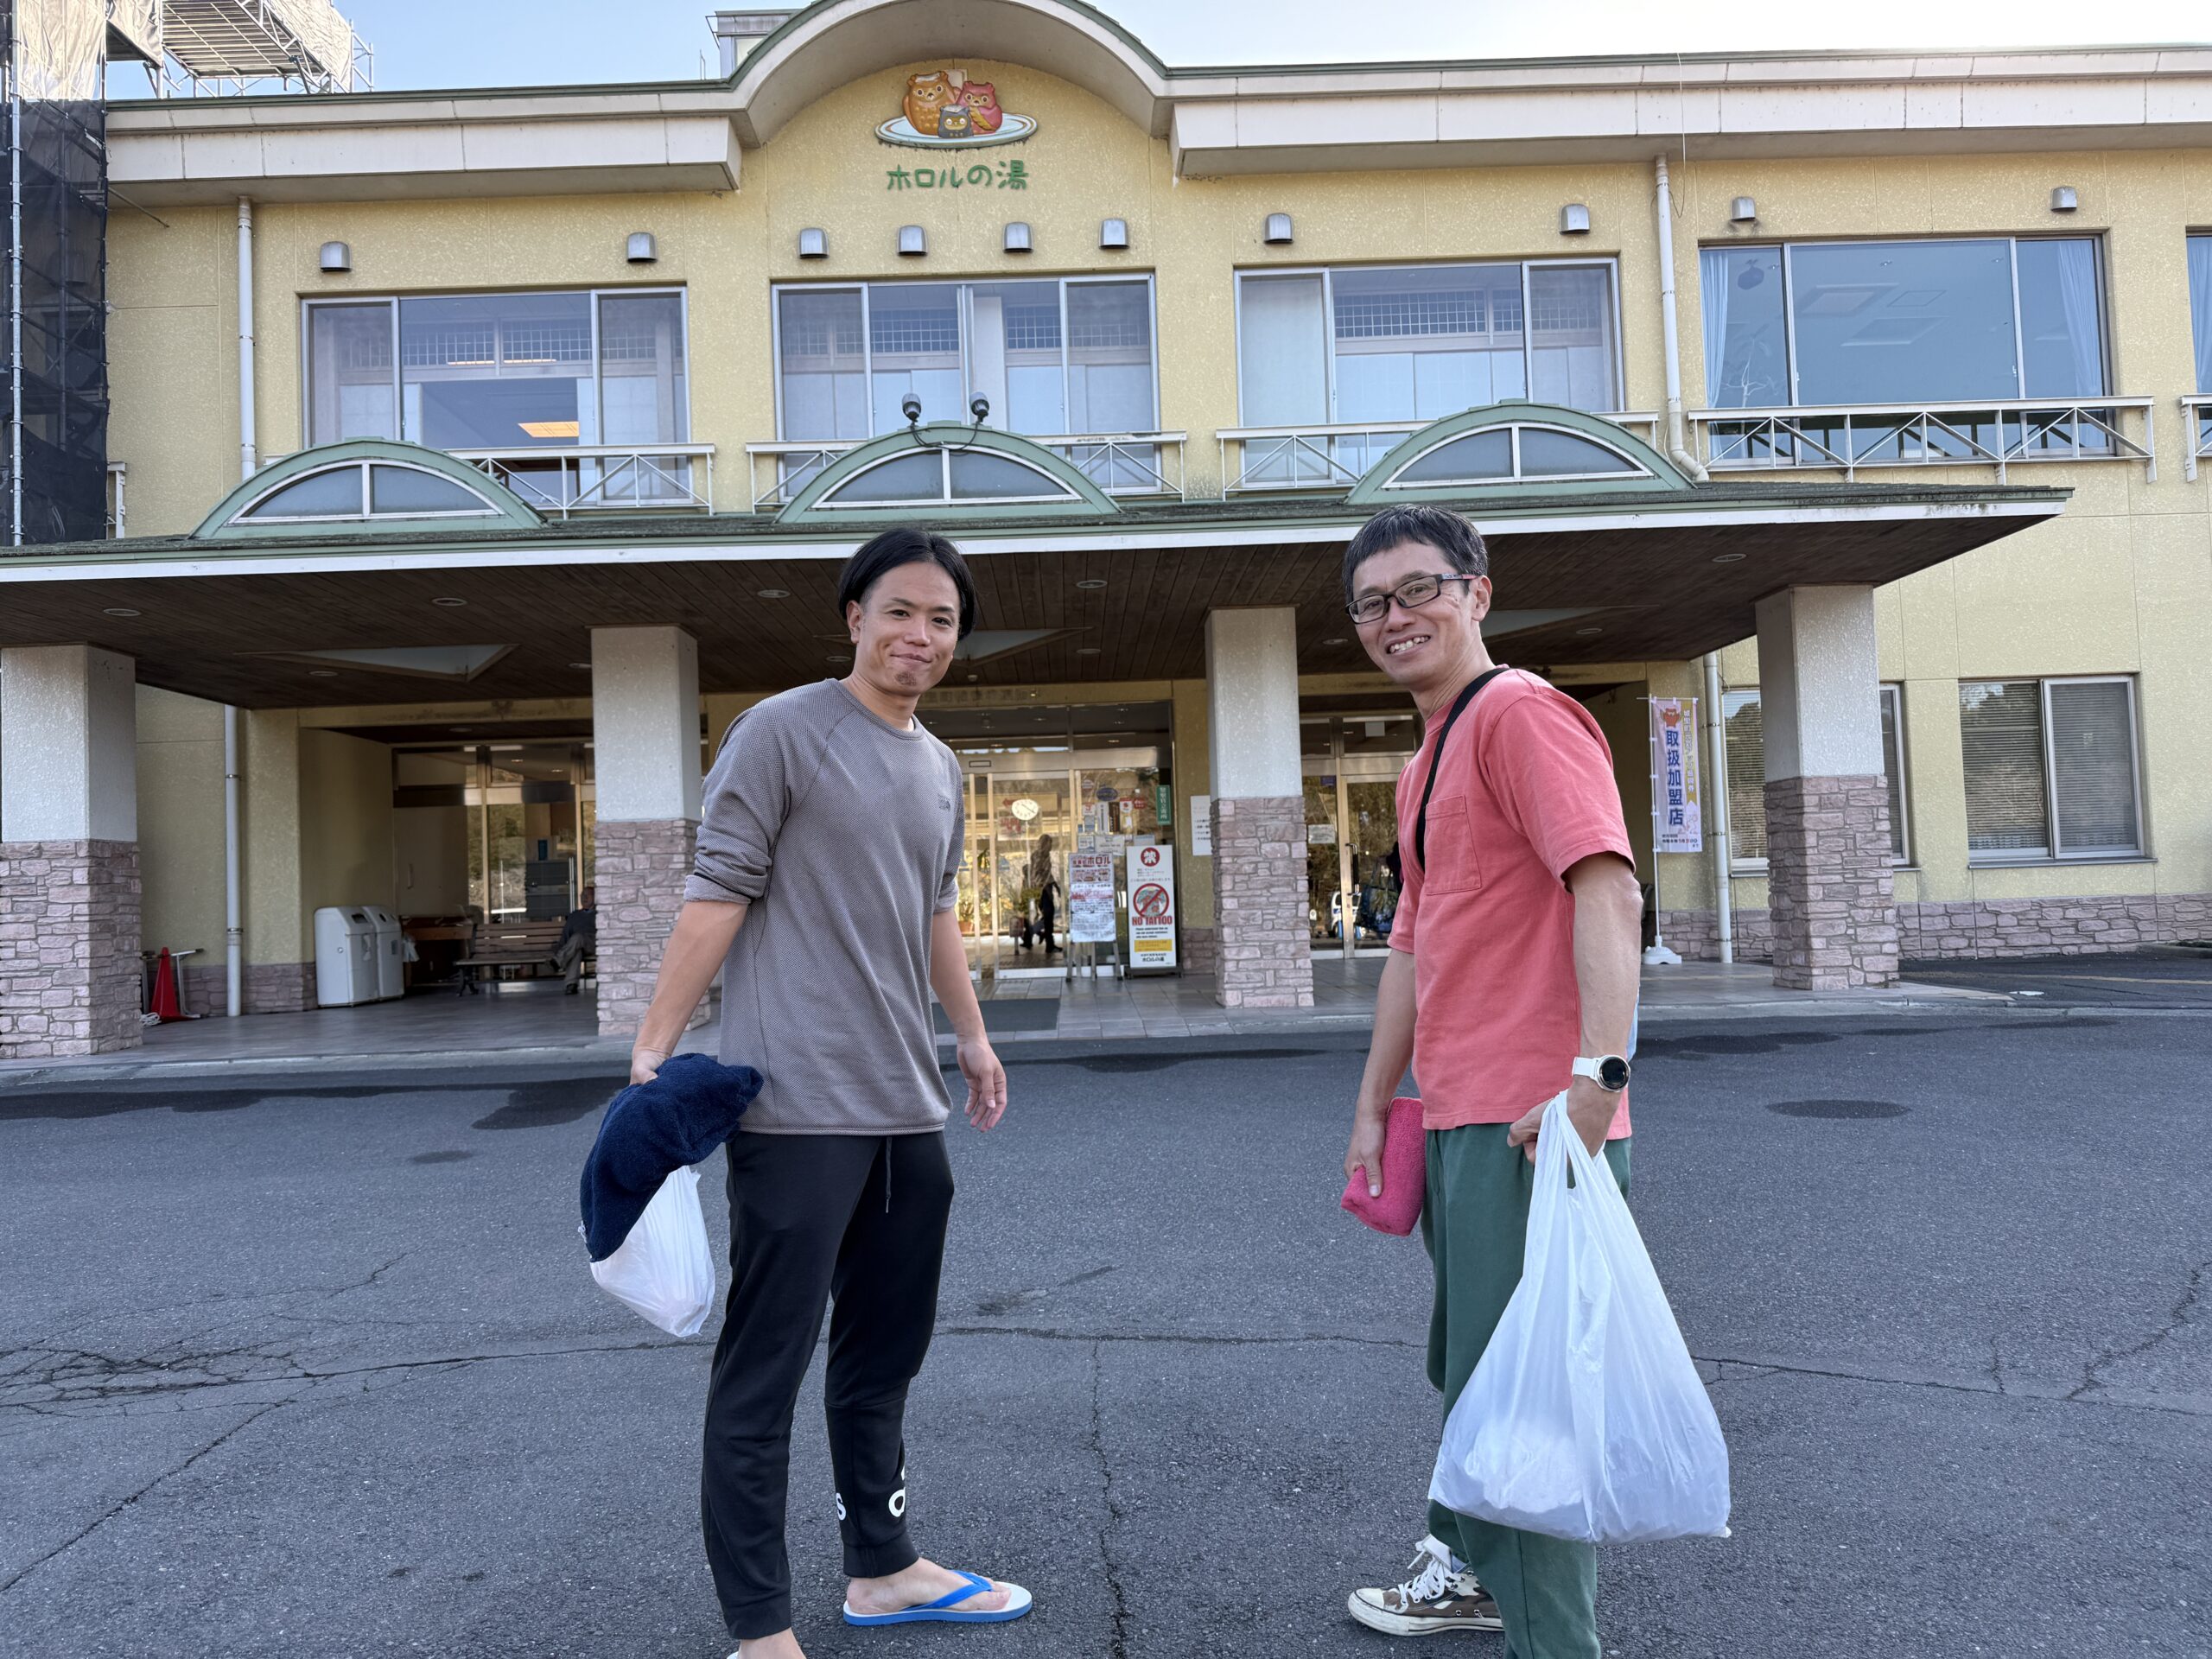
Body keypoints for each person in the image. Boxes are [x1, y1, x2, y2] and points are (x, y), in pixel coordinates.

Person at [626, 526, 1030, 1659]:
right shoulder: (783, 731)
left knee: (884, 1355)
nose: (920, 635)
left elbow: (937, 912)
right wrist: (653, 1046)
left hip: (905, 1104)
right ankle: (759, 1629)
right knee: (765, 1370)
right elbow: (718, 891)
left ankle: (884, 1569)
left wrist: (973, 1039)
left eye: (942, 619)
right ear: (854, 617)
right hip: (796, 1106)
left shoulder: (939, 765)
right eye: (900, 610)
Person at [1338, 505, 1643, 1656]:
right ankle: (1465, 1565)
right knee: (1468, 1369)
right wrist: (1375, 1103)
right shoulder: (1430, 754)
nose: (1395, 616)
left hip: (1535, 1123)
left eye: (1419, 588)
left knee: (1526, 1410)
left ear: (1477, 592)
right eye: (1372, 602)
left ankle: (1554, 1645)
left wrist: (1595, 1080)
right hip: (1462, 1119)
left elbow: (1607, 888)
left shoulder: (1520, 715)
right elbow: (1413, 948)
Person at [555, 887, 595, 993]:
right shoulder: (574, 915)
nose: (584, 897)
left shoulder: (599, 914)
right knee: (576, 951)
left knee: (578, 937)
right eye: (582, 895)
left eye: (588, 895)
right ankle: (571, 985)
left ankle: (558, 962)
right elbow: (566, 935)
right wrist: (560, 949)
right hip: (577, 945)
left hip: (593, 944)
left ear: (595, 897)